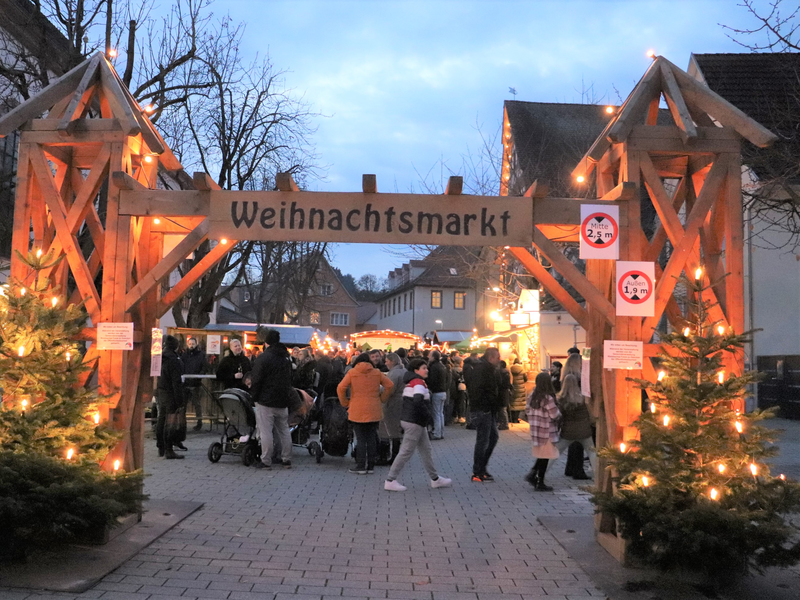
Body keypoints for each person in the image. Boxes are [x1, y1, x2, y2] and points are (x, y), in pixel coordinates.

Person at [384, 359, 452, 491]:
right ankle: (390, 480)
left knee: (425, 450)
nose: (426, 370)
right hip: (415, 422)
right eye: (423, 368)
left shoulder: (411, 382)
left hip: (413, 421)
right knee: (406, 451)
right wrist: (428, 416)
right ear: (416, 370)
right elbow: (418, 401)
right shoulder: (419, 383)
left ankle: (435, 479)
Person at [337, 353, 394, 474]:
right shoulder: (377, 372)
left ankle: (361, 465)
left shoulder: (352, 373)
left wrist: (345, 402)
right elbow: (389, 385)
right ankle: (371, 466)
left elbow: (341, 387)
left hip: (357, 409)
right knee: (372, 437)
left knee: (361, 438)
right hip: (374, 408)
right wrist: (382, 398)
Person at [250, 328, 294, 469]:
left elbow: (256, 379)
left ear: (267, 342)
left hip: (266, 400)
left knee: (266, 431)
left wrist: (254, 396)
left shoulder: (263, 358)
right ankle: (286, 458)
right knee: (284, 430)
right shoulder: (286, 357)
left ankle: (266, 459)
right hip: (283, 400)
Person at [466, 347, 502, 482]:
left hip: (487, 409)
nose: (499, 360)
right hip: (483, 409)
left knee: (492, 438)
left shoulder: (485, 368)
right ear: (491, 358)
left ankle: (481, 468)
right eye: (497, 357)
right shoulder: (484, 369)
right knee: (483, 440)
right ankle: (477, 471)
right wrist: (487, 405)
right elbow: (480, 390)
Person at [525, 372, 561, 491]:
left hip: (536, 431)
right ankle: (540, 480)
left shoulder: (532, 396)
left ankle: (533, 474)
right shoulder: (548, 398)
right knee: (545, 457)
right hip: (547, 431)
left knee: (542, 455)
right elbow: (554, 414)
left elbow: (527, 411)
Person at [556, 374, 596, 477]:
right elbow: (590, 414)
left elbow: (559, 416)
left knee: (556, 452)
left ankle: (540, 472)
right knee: (592, 452)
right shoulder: (583, 398)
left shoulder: (561, 399)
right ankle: (598, 474)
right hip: (584, 431)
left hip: (568, 431)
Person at [561, 352, 589, 479]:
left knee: (573, 442)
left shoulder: (565, 376)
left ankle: (570, 468)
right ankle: (578, 470)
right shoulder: (578, 378)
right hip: (578, 411)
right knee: (579, 443)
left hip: (567, 412)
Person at [156, 335, 185, 460]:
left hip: (161, 391)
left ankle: (160, 446)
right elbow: (176, 382)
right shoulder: (174, 360)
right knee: (171, 422)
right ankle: (169, 449)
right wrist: (179, 400)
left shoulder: (160, 358)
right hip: (171, 394)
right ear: (175, 346)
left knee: (161, 419)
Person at [377, 352, 405, 466]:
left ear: (392, 361)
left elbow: (389, 389)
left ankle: (392, 457)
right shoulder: (404, 371)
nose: (385, 363)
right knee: (397, 431)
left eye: (387, 361)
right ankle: (395, 456)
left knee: (389, 430)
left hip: (392, 404)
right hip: (401, 403)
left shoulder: (394, 373)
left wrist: (379, 390)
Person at [181, 336, 208, 431]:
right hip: (185, 383)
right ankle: (182, 423)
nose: (191, 345)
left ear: (196, 344)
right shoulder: (184, 355)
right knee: (183, 405)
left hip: (195, 383)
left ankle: (199, 422)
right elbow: (181, 367)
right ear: (187, 344)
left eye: (193, 344)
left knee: (197, 405)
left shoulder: (201, 355)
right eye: (190, 344)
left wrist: (199, 377)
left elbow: (204, 367)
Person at [427, 350, 447, 440]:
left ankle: (437, 433)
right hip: (443, 391)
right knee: (440, 413)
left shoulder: (434, 367)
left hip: (437, 392)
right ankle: (441, 432)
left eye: (430, 356)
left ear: (434, 357)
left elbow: (432, 380)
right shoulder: (442, 366)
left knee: (436, 413)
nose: (428, 357)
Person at [509, 357, 528, 423]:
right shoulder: (522, 369)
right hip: (520, 388)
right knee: (519, 403)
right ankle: (516, 418)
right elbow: (525, 378)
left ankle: (512, 418)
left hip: (513, 387)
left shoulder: (510, 369)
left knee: (513, 402)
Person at [496, 360, 513, 430]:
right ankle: (503, 423)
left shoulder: (503, 373)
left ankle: (505, 423)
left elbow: (504, 384)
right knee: (502, 409)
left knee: (503, 409)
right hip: (503, 393)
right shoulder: (506, 372)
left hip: (502, 393)